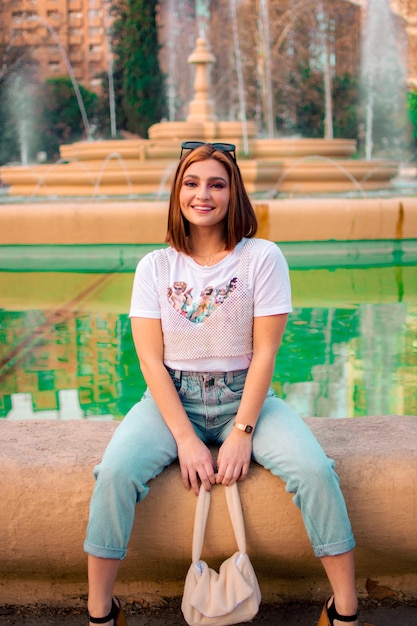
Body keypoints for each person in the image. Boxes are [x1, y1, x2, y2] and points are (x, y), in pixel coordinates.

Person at [84, 141, 359, 626]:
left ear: (234, 193)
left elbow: (266, 352)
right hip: (172, 399)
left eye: (216, 183)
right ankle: (101, 613)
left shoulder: (262, 258)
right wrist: (187, 439)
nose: (203, 194)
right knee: (114, 473)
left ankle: (344, 611)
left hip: (245, 397)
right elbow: (150, 360)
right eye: (192, 183)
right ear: (178, 192)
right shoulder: (155, 266)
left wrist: (241, 432)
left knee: (316, 470)